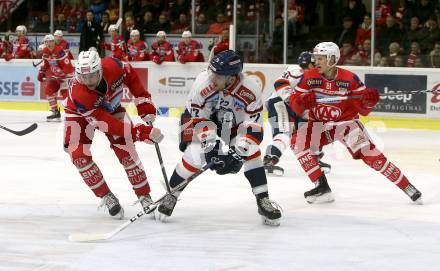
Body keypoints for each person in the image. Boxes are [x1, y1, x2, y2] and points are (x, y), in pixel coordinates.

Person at [156, 50, 282, 226]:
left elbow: (253, 126)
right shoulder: (202, 84)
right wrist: (211, 145)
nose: (212, 78)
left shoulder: (250, 89)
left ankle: (263, 200)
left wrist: (238, 152)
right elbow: (199, 118)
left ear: (231, 77)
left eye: (218, 76)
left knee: (252, 153)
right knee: (194, 154)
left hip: (234, 125)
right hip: (203, 121)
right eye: (211, 72)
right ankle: (171, 195)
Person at [289, 41, 422, 204]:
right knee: (298, 142)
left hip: (346, 125)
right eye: (316, 58)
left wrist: (369, 102)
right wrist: (302, 101)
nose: (316, 62)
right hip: (318, 125)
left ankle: (407, 186)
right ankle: (322, 188)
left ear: (332, 59)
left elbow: (364, 111)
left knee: (372, 156)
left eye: (320, 59)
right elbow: (295, 107)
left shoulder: (350, 79)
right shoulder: (309, 77)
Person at [63, 49, 163, 218]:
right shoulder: (80, 93)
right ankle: (106, 196)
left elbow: (130, 75)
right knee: (78, 154)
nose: (87, 81)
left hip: (112, 107)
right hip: (78, 113)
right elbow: (105, 123)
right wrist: (138, 132)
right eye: (83, 77)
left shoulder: (113, 66)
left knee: (127, 152)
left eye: (92, 76)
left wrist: (143, 101)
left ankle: (144, 195)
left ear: (100, 70)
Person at [264, 51, 330, 176]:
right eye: (314, 63)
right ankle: (269, 159)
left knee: (313, 128)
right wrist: (291, 98)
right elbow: (279, 82)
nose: (317, 66)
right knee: (284, 133)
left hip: (297, 108)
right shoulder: (296, 71)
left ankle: (313, 158)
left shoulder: (317, 79)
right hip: (280, 103)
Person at [37, 34, 74, 121]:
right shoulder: (45, 50)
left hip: (66, 75)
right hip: (55, 75)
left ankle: (71, 113)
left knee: (65, 94)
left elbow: (67, 65)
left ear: (53, 42)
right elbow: (46, 64)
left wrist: (62, 74)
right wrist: (41, 72)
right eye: (46, 42)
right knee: (49, 91)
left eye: (50, 41)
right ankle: (55, 112)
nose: (48, 43)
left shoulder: (60, 51)